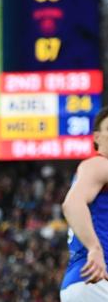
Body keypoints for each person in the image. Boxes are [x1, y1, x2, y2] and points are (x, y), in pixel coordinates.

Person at [60, 106, 108, 301]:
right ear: (97, 137)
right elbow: (72, 203)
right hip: (96, 278)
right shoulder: (99, 164)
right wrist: (94, 248)